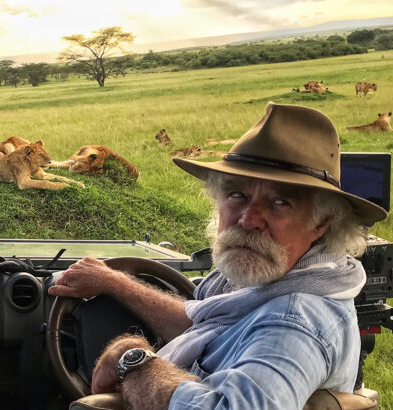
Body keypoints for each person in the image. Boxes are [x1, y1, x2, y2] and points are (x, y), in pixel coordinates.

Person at [49, 103, 388, 409]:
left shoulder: (292, 321)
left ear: (322, 224)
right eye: (237, 194)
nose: (248, 219)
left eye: (280, 202)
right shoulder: (270, 285)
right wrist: (116, 283)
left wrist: (134, 362)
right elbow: (202, 319)